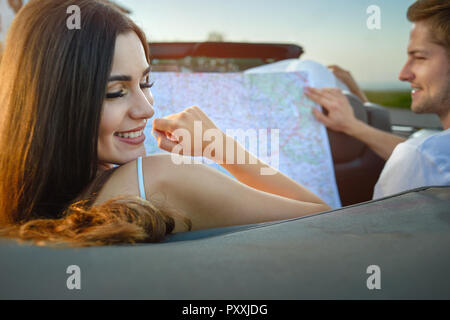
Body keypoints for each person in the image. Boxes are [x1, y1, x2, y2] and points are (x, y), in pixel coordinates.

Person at [0, 0, 330, 247]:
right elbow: (326, 221)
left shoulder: (22, 200)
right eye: (116, 92)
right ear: (57, 103)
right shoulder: (160, 179)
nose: (145, 109)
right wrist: (221, 146)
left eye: (146, 83)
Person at [305, 0, 450, 199]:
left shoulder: (420, 157)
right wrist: (355, 118)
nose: (403, 74)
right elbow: (432, 158)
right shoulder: (428, 156)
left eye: (419, 57)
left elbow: (423, 158)